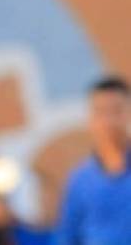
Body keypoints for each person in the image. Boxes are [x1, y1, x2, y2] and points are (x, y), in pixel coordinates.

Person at [54, 76, 131, 245]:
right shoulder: (79, 180)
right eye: (100, 112)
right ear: (90, 118)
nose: (108, 121)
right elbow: (67, 236)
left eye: (116, 111)